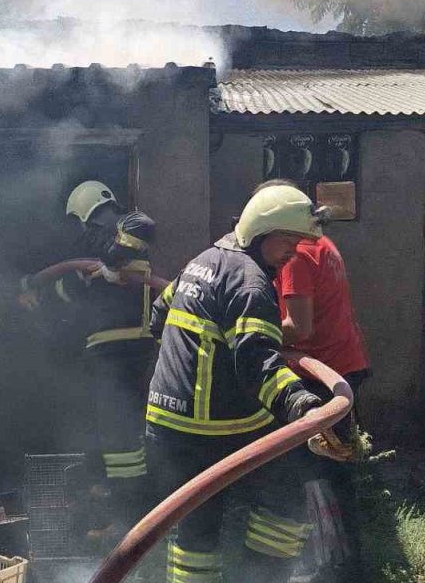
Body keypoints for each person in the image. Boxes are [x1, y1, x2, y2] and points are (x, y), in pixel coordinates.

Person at [147, 184, 352, 583]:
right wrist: (305, 407)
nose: (294, 252)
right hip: (215, 428)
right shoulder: (251, 283)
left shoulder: (203, 261)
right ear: (261, 232)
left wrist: (186, 366)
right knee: (284, 503)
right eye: (288, 241)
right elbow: (257, 360)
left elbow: (159, 315)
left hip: (167, 424)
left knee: (195, 528)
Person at [18, 180, 158, 535]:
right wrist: (48, 289)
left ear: (83, 213)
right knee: (115, 426)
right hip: (131, 348)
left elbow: (141, 227)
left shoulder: (108, 233)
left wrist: (109, 262)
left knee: (118, 433)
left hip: (113, 349)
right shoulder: (115, 239)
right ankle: (115, 504)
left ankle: (129, 517)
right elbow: (76, 288)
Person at [259, 179, 370, 583]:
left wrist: (252, 332)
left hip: (320, 377)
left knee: (312, 473)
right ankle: (345, 564)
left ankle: (330, 566)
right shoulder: (321, 243)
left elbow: (299, 327)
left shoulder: (296, 254)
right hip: (343, 366)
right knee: (336, 472)